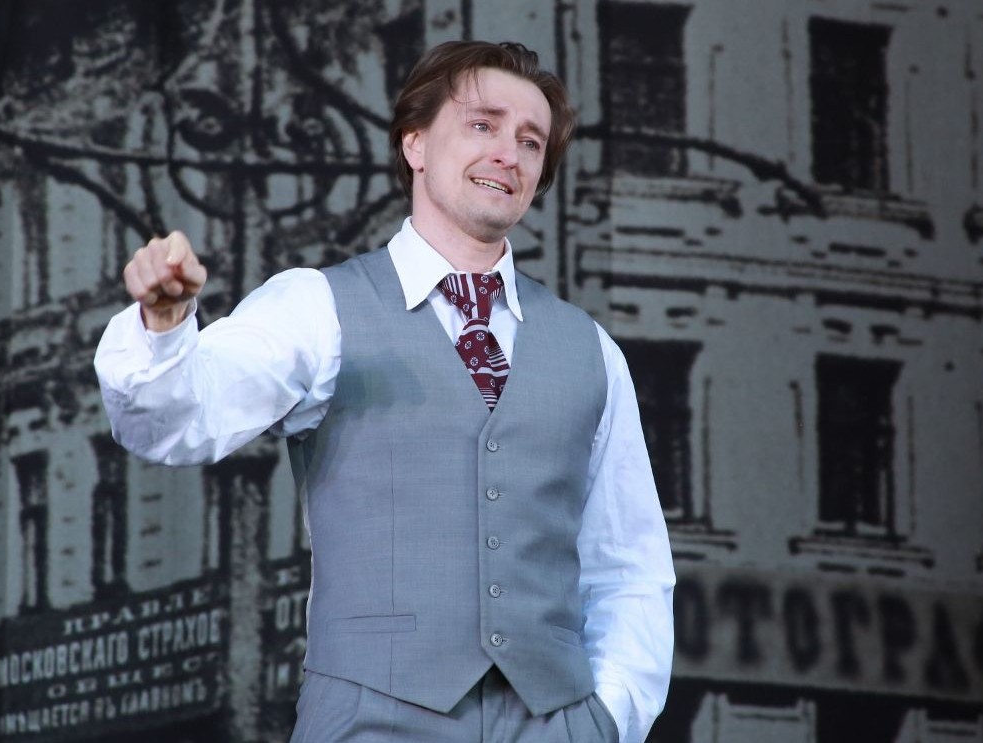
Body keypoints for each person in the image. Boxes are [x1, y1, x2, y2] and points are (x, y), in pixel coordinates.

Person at [95, 40, 674, 743]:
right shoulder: (318, 307)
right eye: (483, 125)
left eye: (531, 141)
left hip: (556, 725)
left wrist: (608, 718)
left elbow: (629, 566)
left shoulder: (590, 349)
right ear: (415, 143)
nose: (509, 154)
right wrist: (164, 324)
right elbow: (173, 421)